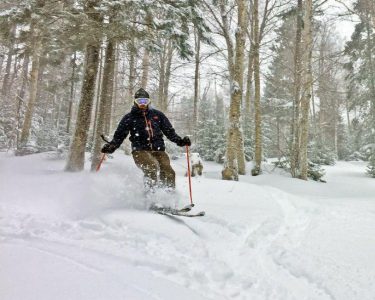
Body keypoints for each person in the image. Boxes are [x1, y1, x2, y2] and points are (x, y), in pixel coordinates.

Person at [101, 88, 191, 191]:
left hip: (159, 150)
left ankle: (168, 197)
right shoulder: (129, 117)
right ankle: (151, 196)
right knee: (151, 167)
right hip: (140, 150)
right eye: (140, 101)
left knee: (168, 171)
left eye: (145, 101)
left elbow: (169, 131)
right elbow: (120, 135)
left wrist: (180, 141)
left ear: (149, 102)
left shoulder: (157, 115)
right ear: (135, 102)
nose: (142, 104)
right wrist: (112, 146)